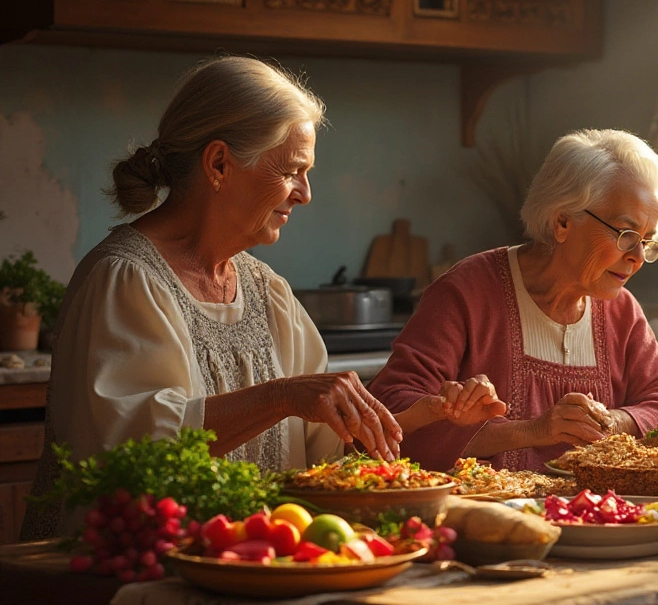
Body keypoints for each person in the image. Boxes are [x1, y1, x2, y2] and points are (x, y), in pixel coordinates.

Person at [22, 56, 500, 542]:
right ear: (219, 163)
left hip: (244, 568)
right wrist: (281, 396)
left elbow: (327, 456)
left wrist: (426, 416)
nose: (305, 194)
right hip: (117, 586)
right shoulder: (123, 280)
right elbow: (130, 453)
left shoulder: (265, 290)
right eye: (293, 170)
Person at [370, 129, 658, 472]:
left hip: (598, 520)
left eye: (648, 241)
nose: (638, 257)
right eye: (627, 235)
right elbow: (390, 410)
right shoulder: (468, 293)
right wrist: (531, 431)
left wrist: (613, 421)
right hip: (484, 519)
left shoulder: (621, 311)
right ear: (563, 222)